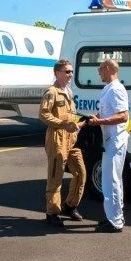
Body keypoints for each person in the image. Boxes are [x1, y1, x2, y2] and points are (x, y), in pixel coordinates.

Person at [39, 59, 86, 226]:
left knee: (80, 173)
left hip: (71, 139)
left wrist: (79, 123)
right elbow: (43, 114)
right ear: (57, 73)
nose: (70, 74)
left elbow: (71, 115)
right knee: (56, 176)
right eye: (67, 71)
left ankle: (70, 205)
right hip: (57, 139)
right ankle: (52, 213)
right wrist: (63, 124)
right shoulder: (51, 92)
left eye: (71, 71)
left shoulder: (69, 92)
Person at [87, 59, 129, 233]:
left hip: (115, 141)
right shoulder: (107, 89)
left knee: (111, 181)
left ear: (108, 68)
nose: (99, 73)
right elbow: (106, 112)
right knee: (111, 180)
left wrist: (100, 121)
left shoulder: (116, 89)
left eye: (100, 69)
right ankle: (114, 216)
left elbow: (123, 116)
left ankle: (115, 222)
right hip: (109, 141)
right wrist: (95, 117)